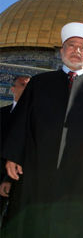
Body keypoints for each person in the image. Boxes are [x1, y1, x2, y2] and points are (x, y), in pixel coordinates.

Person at [2, 22, 83, 237]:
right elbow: (21, 121)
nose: (77, 51)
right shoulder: (39, 83)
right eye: (72, 45)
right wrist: (13, 156)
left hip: (78, 172)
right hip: (36, 166)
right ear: (62, 50)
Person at [0, 75, 31, 226]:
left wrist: (9, 179)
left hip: (20, 180)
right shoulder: (2, 114)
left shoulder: (36, 121)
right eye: (22, 85)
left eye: (29, 86)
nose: (26, 89)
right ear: (13, 89)